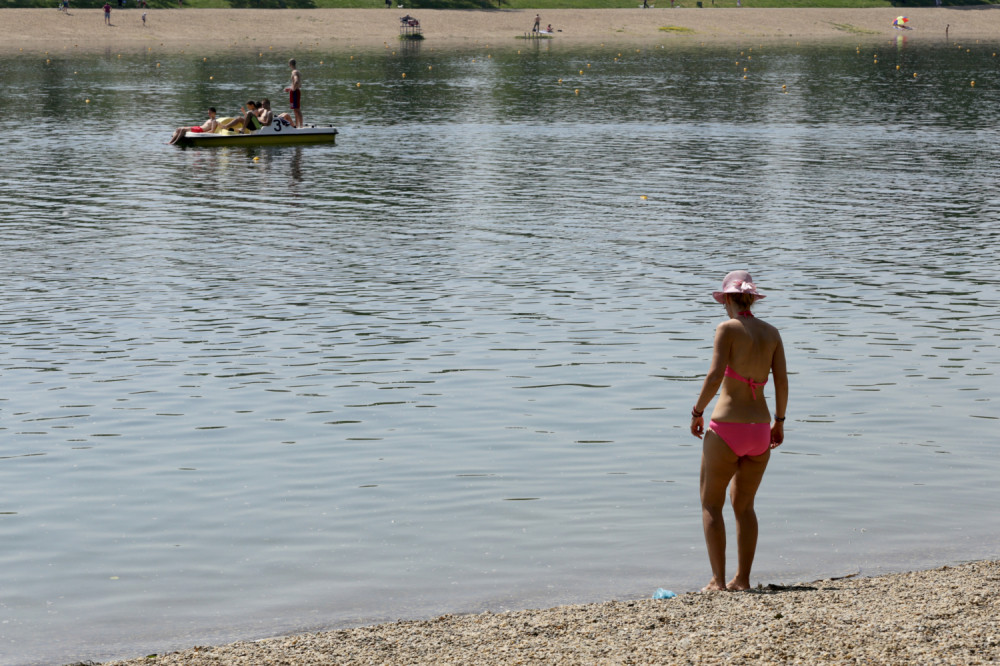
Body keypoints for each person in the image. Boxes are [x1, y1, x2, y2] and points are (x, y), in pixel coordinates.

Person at [690, 270, 787, 592]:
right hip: (760, 429)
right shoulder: (772, 332)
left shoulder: (727, 329)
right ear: (751, 298)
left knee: (711, 505)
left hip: (727, 428)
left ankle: (718, 581)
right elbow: (782, 381)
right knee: (745, 507)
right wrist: (780, 421)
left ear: (728, 298)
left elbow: (715, 375)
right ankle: (742, 580)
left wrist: (697, 411)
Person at [285, 58, 303, 129]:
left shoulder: (294, 72)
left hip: (295, 92)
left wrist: (293, 89)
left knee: (297, 109)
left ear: (290, 64)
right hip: (296, 91)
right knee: (295, 109)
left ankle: (300, 126)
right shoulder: (297, 71)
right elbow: (299, 84)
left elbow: (296, 81)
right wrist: (290, 89)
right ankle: (297, 125)